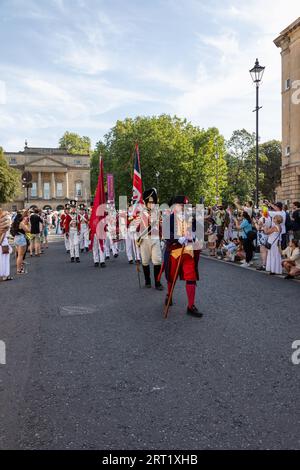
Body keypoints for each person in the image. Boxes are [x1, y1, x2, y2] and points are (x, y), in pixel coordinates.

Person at [164, 195, 202, 318]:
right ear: (174, 206)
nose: (184, 208)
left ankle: (191, 306)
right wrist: (178, 238)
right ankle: (169, 295)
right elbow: (166, 235)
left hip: (188, 252)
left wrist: (194, 236)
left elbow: (197, 231)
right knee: (171, 277)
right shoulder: (168, 219)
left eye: (185, 206)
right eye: (181, 205)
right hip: (174, 252)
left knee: (191, 277)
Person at [137, 188, 163, 290]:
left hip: (155, 237)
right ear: (146, 202)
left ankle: (157, 282)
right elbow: (137, 226)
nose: (152, 203)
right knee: (145, 260)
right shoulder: (141, 212)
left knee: (157, 260)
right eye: (150, 202)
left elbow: (160, 226)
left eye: (153, 201)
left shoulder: (158, 211)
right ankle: (147, 281)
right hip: (144, 238)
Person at [0, 211, 13, 281]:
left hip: (2, 242)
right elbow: (4, 234)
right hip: (3, 243)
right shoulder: (5, 224)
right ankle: (4, 275)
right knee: (4, 260)